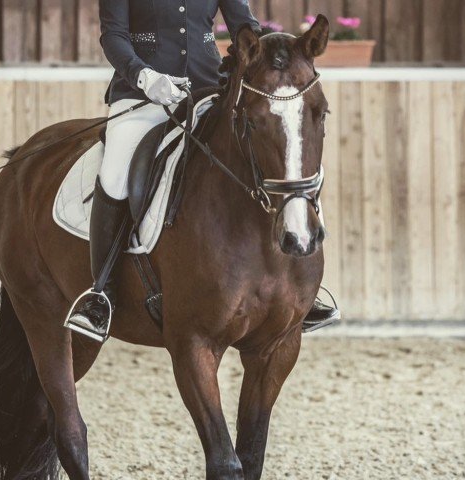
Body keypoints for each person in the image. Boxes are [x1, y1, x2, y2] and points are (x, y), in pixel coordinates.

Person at [66, 0, 340, 340]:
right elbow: (114, 37)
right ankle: (101, 294)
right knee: (116, 171)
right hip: (143, 94)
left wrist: (271, 61)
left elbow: (246, 26)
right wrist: (144, 76)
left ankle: (301, 279)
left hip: (209, 86)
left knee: (278, 154)